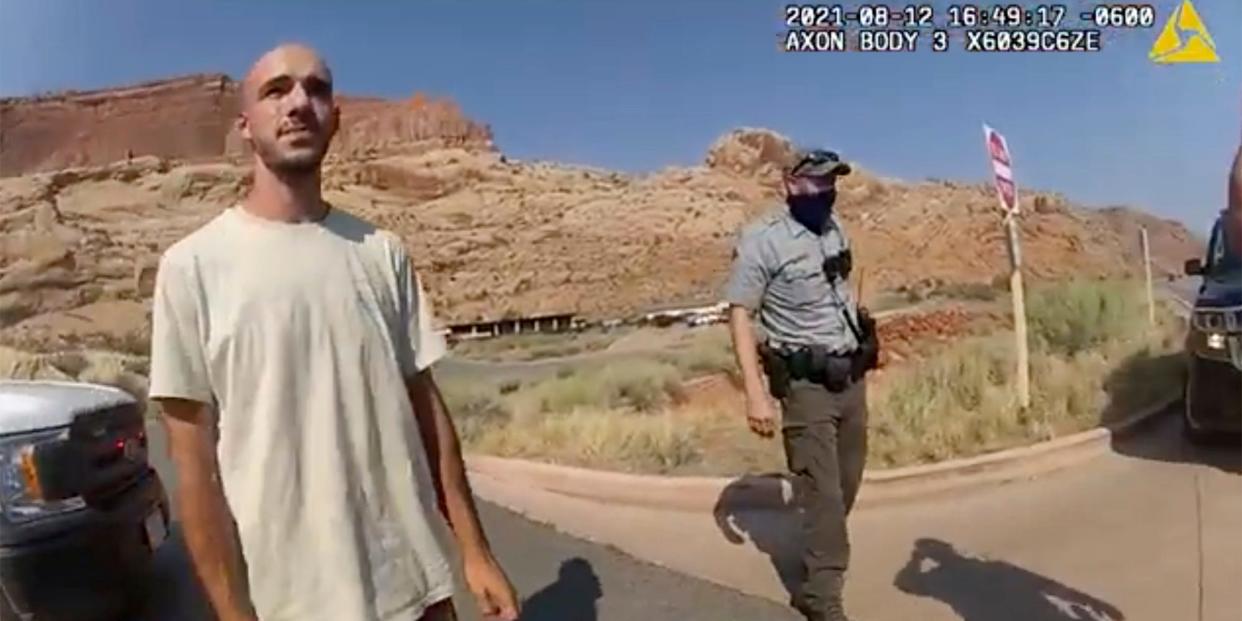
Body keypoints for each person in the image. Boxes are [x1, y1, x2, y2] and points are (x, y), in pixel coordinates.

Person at [149, 43, 520, 621]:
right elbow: (194, 466)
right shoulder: (192, 268)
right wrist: (232, 612)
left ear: (335, 117)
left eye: (316, 89)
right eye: (277, 90)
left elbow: (428, 412)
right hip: (292, 603)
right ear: (246, 126)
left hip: (416, 589)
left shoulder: (381, 252)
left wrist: (475, 552)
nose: (299, 103)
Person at [724, 148, 879, 621]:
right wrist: (755, 393)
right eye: (814, 183)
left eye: (830, 182)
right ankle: (822, 597)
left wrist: (864, 337)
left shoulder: (835, 228)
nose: (824, 192)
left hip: (849, 377)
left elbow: (843, 290)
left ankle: (818, 545)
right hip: (805, 388)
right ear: (788, 184)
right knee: (823, 494)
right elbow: (740, 313)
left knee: (847, 482)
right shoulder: (762, 239)